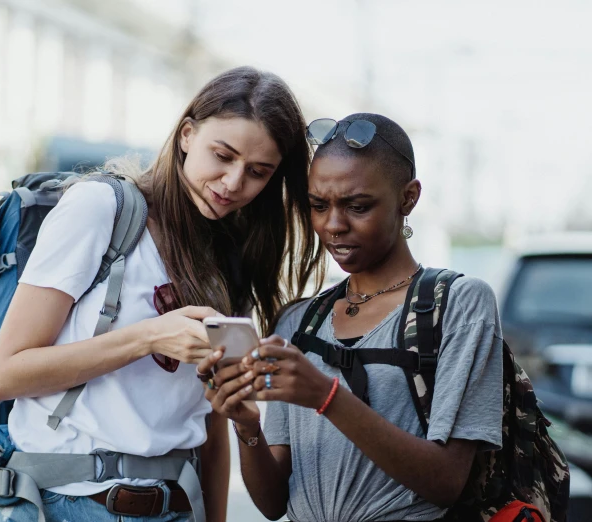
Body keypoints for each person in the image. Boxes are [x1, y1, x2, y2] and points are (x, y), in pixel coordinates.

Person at [0, 66, 326, 522]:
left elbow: (210, 421)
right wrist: (147, 338)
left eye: (258, 172)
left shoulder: (232, 254)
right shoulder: (102, 209)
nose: (233, 182)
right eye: (222, 155)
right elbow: (5, 374)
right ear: (187, 134)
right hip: (64, 504)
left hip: (177, 507)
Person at [200, 113, 503, 522]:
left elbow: (446, 481)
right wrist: (248, 428)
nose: (334, 226)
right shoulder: (299, 323)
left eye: (357, 206)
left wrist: (326, 397)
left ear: (408, 198)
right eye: (318, 206)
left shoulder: (458, 304)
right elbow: (272, 505)